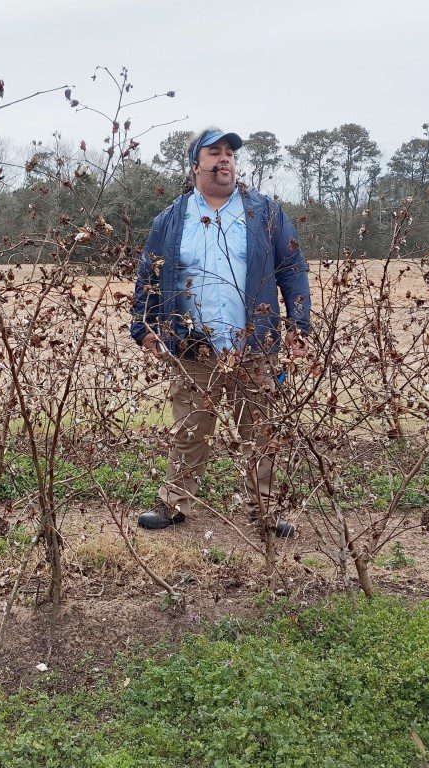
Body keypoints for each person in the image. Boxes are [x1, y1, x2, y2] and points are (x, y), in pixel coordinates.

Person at [130, 127, 311, 536]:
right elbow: (149, 274)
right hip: (194, 347)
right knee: (191, 429)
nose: (225, 159)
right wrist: (142, 326)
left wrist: (299, 327)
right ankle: (174, 504)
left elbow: (293, 269)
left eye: (229, 152)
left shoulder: (264, 212)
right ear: (196, 166)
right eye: (214, 152)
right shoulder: (172, 219)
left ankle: (264, 510)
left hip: (254, 344)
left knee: (260, 430)